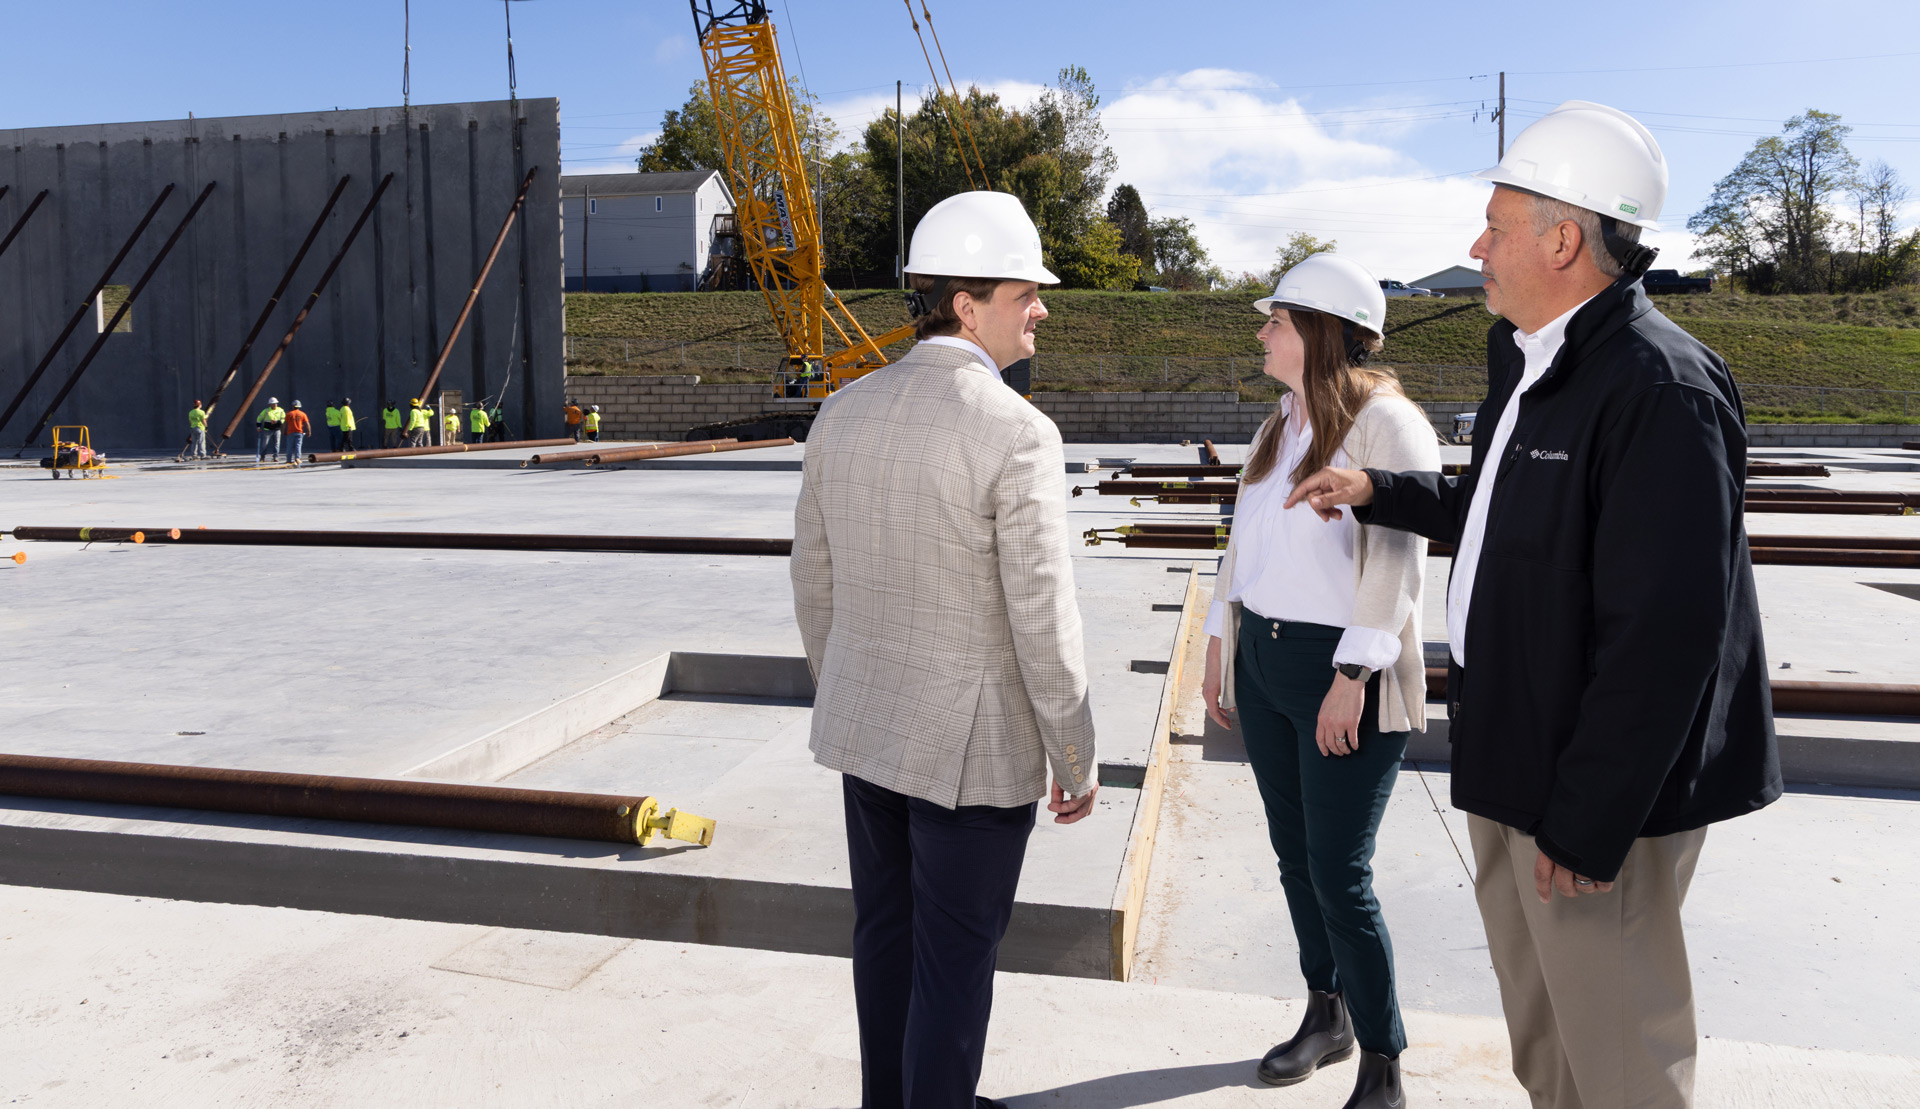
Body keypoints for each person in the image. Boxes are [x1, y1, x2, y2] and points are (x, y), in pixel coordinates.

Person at [1286, 101, 1781, 1109]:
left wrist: (1589, 819)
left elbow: (1667, 635)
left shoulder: (1659, 386)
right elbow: (1502, 508)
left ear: (1564, 239)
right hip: (1515, 758)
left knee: (1620, 1063)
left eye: (1496, 223)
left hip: (1594, 795)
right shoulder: (1528, 358)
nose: (1475, 246)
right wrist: (1381, 490)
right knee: (1548, 1046)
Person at [793, 191, 1097, 1109]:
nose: (1042, 305)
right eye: (1023, 293)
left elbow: (815, 581)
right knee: (956, 965)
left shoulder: (841, 412)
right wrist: (1074, 754)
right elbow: (1043, 616)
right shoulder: (1018, 432)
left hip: (868, 728)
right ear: (966, 305)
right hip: (971, 754)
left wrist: (844, 682)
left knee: (884, 937)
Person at [1200, 254, 1439, 1109]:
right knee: (1295, 858)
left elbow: (1400, 564)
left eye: (1275, 320)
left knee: (1341, 872)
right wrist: (1220, 639)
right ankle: (1324, 1014)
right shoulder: (1281, 423)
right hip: (1265, 661)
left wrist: (1352, 675)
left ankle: (1383, 1060)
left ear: (1318, 330)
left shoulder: (1388, 423)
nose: (1261, 332)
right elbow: (1245, 544)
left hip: (1344, 667)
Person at [255, 397, 285, 463]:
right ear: (270, 404)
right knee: (264, 444)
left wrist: (277, 422)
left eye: (276, 403)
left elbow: (283, 419)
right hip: (267, 430)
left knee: (277, 444)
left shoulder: (281, 410)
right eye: (273, 404)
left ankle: (275, 457)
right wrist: (258, 427)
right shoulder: (266, 411)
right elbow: (259, 418)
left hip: (277, 429)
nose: (275, 405)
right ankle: (262, 457)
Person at [283, 400, 310, 465]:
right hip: (299, 432)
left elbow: (284, 423)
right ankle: (297, 458)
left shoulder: (288, 414)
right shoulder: (303, 414)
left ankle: (288, 460)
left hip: (290, 432)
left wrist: (284, 431)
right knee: (298, 446)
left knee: (289, 446)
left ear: (292, 406)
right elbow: (307, 423)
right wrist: (309, 431)